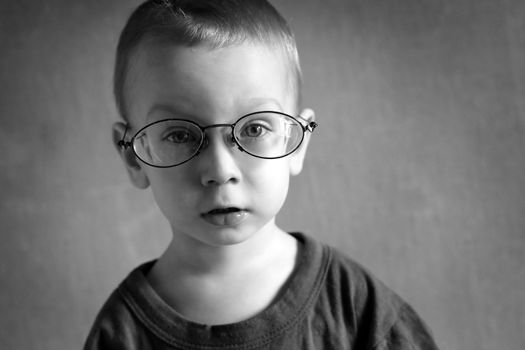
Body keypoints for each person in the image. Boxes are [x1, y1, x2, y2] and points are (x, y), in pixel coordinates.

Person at [84, 0, 440, 349]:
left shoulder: (354, 306)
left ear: (297, 144)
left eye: (254, 129)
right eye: (179, 135)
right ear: (132, 154)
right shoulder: (121, 334)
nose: (221, 172)